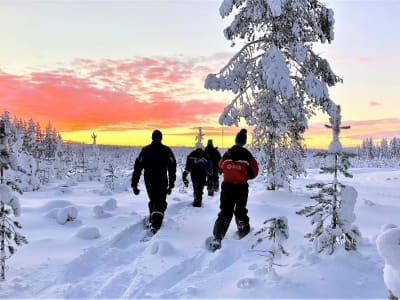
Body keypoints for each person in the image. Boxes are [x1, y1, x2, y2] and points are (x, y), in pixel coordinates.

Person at [209, 129, 259, 251]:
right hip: (241, 187)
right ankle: (244, 234)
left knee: (225, 212)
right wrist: (245, 175)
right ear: (244, 141)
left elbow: (220, 166)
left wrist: (229, 171)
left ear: (236, 140)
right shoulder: (247, 155)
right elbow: (255, 171)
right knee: (240, 210)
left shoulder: (227, 154)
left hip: (227, 187)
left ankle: (217, 238)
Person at [131, 129, 176, 234]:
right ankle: (155, 223)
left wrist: (134, 184)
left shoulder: (146, 150)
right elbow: (172, 168)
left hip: (149, 179)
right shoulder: (166, 150)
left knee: (154, 200)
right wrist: (171, 184)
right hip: (161, 178)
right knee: (160, 201)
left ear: (152, 138)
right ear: (161, 138)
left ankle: (154, 220)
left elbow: (137, 168)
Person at [182, 142, 212, 207]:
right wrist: (210, 174)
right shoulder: (206, 155)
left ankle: (196, 198)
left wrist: (184, 176)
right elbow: (209, 166)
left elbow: (188, 167)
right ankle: (198, 200)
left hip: (194, 173)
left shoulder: (191, 155)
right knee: (200, 187)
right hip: (202, 173)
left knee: (195, 185)